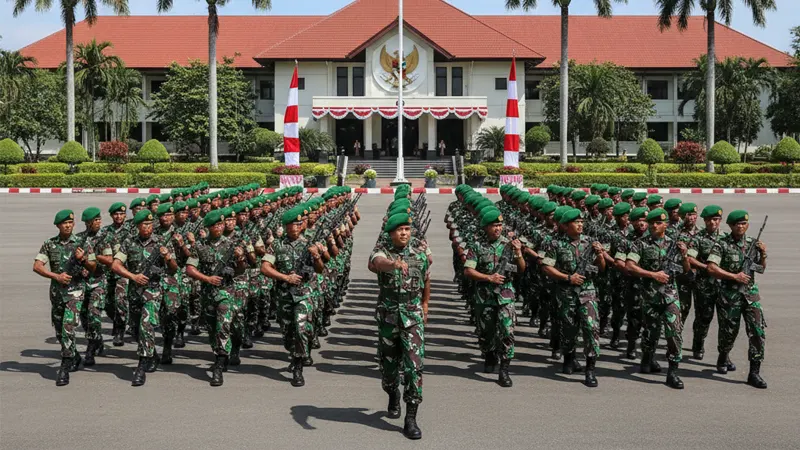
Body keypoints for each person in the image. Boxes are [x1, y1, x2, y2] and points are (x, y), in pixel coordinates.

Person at [369, 213, 430, 440]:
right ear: (391, 233)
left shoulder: (419, 255)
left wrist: (425, 304)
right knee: (388, 369)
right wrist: (393, 264)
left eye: (407, 229)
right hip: (389, 318)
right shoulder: (382, 252)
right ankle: (392, 393)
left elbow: (426, 279)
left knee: (414, 369)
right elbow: (377, 263)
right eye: (399, 230)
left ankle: (411, 418)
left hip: (412, 318)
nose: (404, 233)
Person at [541, 208, 607, 387]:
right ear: (565, 225)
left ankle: (590, 370)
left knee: (591, 329)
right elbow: (547, 267)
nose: (580, 225)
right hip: (566, 294)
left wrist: (600, 254)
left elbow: (601, 267)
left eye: (581, 222)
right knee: (569, 330)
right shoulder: (556, 244)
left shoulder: (590, 242)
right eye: (576, 222)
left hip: (588, 293)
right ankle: (569, 358)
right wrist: (568, 278)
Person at [111, 209, 178, 387]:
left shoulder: (161, 243)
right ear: (137, 226)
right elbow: (115, 265)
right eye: (144, 225)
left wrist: (168, 257)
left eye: (150, 224)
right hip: (134, 291)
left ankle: (141, 366)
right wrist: (133, 277)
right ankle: (152, 354)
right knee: (134, 328)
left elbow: (173, 269)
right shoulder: (129, 243)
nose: (148, 228)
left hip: (153, 292)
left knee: (146, 325)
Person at [260, 205, 325, 387]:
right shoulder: (277, 245)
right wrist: (285, 277)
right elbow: (265, 267)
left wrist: (317, 256)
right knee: (288, 331)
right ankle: (294, 352)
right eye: (292, 225)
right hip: (284, 294)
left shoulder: (310, 243)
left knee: (301, 328)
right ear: (286, 226)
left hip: (305, 293)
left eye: (298, 224)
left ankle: (298, 367)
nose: (295, 228)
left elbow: (320, 269)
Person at [626, 208, 690, 389]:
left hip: (670, 297)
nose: (655, 226)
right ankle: (647, 359)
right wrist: (652, 275)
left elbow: (686, 270)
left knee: (674, 332)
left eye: (659, 223)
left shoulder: (674, 244)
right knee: (650, 333)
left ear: (666, 225)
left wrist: (685, 255)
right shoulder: (641, 244)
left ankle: (673, 372)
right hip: (650, 297)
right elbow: (630, 266)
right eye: (652, 223)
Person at [185, 210, 249, 387]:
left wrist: (241, 258)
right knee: (212, 329)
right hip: (207, 294)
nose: (220, 227)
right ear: (209, 227)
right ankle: (221, 352)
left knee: (223, 326)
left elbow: (242, 269)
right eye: (216, 225)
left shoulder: (232, 244)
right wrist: (207, 279)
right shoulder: (200, 246)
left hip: (227, 292)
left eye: (222, 224)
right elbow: (189, 268)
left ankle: (219, 365)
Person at [463, 208, 525, 387]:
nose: (497, 229)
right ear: (485, 227)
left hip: (506, 295)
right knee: (486, 333)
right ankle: (489, 354)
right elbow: (468, 270)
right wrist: (488, 277)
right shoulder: (477, 246)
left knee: (507, 331)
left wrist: (519, 253)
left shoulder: (509, 244)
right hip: (485, 297)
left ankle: (504, 370)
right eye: (494, 226)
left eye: (499, 225)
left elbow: (521, 269)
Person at [33, 209, 96, 386]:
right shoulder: (50, 244)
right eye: (64, 223)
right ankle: (74, 355)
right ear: (58, 226)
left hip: (75, 292)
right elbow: (37, 266)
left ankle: (65, 365)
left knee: (68, 325)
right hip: (57, 293)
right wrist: (56, 276)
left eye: (70, 222)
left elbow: (94, 268)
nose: (68, 226)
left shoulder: (82, 244)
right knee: (60, 330)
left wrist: (82, 260)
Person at [706, 210, 768, 389]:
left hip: (750, 295)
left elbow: (760, 269)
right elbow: (711, 268)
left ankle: (754, 372)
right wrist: (734, 276)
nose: (740, 227)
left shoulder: (752, 244)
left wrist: (763, 255)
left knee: (757, 331)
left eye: (743, 223)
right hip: (729, 295)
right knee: (728, 332)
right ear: (731, 226)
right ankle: (723, 355)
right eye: (737, 224)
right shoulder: (722, 244)